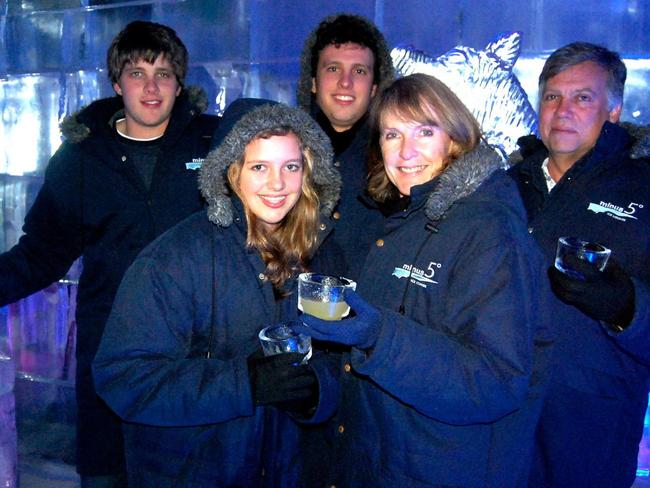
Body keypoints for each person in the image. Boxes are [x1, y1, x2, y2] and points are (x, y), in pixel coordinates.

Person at [294, 73, 554, 487]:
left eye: (424, 131)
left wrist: (378, 337)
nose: (405, 151)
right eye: (391, 134)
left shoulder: (488, 230)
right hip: (393, 460)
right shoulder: (406, 220)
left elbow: (497, 379)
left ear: (455, 137)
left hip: (449, 467)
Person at [0, 21, 219, 486]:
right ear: (117, 83)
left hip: (196, 354)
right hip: (111, 351)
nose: (151, 86)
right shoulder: (83, 158)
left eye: (163, 73)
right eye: (137, 73)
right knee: (109, 474)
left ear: (180, 83)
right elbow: (40, 253)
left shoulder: (213, 144)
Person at [92, 99, 344, 487]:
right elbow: (123, 378)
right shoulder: (174, 259)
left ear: (308, 171)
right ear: (231, 173)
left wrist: (314, 392)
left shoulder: (321, 252)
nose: (277, 184)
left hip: (286, 471)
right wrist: (244, 384)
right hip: (194, 471)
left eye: (290, 167)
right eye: (259, 167)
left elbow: (339, 361)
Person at [508, 42, 650, 487]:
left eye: (582, 97)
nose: (563, 110)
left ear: (613, 110)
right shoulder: (503, 187)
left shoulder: (645, 187)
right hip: (499, 422)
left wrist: (628, 306)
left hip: (590, 435)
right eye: (552, 97)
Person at [297, 13, 395, 279]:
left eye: (359, 71)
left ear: (374, 87)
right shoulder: (283, 150)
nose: (345, 82)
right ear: (313, 82)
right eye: (333, 68)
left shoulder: (399, 158)